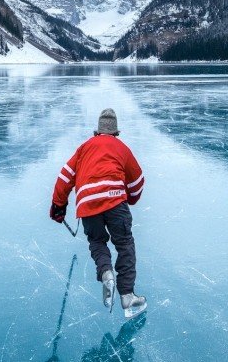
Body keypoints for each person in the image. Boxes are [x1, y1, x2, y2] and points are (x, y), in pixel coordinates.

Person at [50, 108, 147, 317]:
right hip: (115, 201)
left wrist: (58, 206)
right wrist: (129, 198)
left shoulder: (84, 147)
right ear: (116, 133)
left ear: (97, 131)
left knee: (97, 241)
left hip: (87, 203)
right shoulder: (121, 148)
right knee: (124, 244)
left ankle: (106, 273)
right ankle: (127, 296)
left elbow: (65, 177)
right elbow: (137, 181)